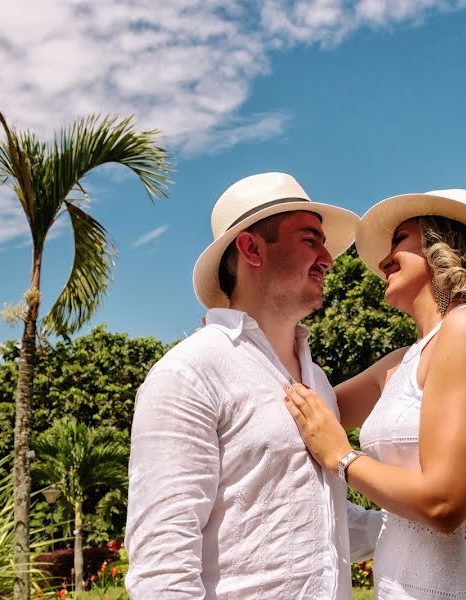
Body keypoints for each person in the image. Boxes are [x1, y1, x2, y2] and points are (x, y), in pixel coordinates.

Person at [126, 172, 383, 599]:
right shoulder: (189, 374)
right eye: (309, 240)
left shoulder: (316, 380)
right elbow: (162, 568)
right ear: (251, 248)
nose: (329, 259)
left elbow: (318, 524)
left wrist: (420, 522)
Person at [283, 189, 466, 599]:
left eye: (400, 239)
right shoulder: (401, 361)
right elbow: (307, 408)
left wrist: (343, 458)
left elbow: (445, 504)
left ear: (446, 246)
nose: (385, 259)